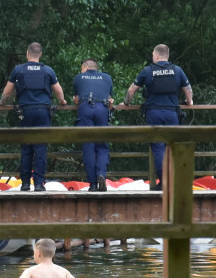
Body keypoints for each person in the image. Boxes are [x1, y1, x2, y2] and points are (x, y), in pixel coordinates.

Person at [0, 42, 67, 191]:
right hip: (43, 112)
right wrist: (62, 101)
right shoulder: (48, 71)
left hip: (25, 112)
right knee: (40, 148)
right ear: (40, 54)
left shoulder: (19, 70)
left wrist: (1, 102)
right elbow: (58, 90)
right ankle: (39, 184)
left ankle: (25, 183)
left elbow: (8, 91)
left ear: (27, 53)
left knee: (26, 148)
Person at [122, 44, 194, 190]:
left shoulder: (148, 71)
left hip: (154, 113)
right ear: (167, 56)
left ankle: (163, 183)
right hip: (172, 113)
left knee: (158, 147)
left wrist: (126, 103)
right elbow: (188, 89)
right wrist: (189, 102)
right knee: (171, 147)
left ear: (156, 56)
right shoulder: (177, 70)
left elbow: (132, 90)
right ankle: (174, 182)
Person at [72, 59, 114, 191]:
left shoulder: (78, 78)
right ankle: (101, 173)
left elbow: (76, 99)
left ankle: (93, 184)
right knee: (102, 145)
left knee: (88, 146)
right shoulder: (107, 78)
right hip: (102, 108)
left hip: (85, 108)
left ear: (85, 67)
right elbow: (109, 98)